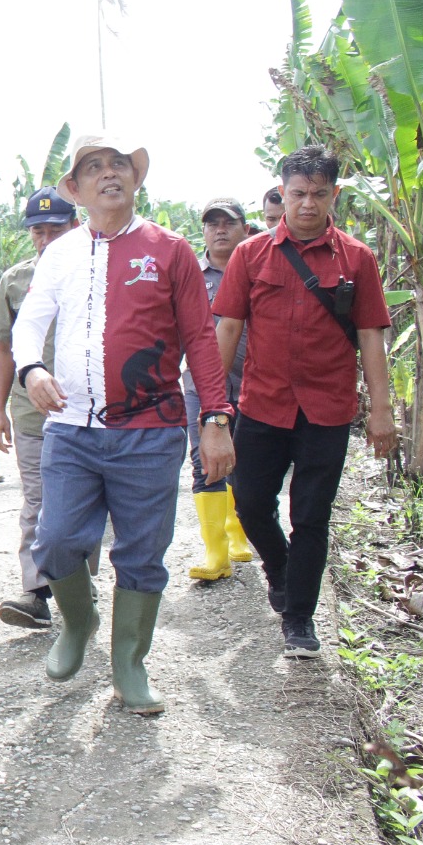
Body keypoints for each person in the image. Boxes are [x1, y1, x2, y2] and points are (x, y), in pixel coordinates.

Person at [13, 133, 234, 715]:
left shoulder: (170, 250)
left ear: (136, 180)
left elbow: (201, 340)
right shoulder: (58, 253)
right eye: (93, 168)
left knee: (141, 553)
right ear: (77, 188)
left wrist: (214, 417)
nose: (108, 175)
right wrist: (32, 369)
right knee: (56, 540)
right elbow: (30, 324)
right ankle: (77, 624)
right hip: (71, 429)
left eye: (118, 166)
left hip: (151, 430)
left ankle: (129, 665)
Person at [213, 145, 396, 659]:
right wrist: (213, 407)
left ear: (334, 195)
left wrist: (381, 410)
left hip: (327, 410)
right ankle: (279, 567)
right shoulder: (251, 255)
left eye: (319, 194)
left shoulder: (358, 260)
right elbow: (227, 327)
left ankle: (299, 620)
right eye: (298, 194)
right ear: (282, 192)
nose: (307, 204)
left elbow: (371, 338)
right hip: (262, 405)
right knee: (248, 501)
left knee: (311, 516)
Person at [0, 186, 80, 628]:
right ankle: (36, 593)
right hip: (32, 413)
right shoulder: (16, 280)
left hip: (88, 412)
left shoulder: (94, 271)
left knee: (83, 501)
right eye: (37, 232)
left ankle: (79, 584)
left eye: (55, 230)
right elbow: (3, 349)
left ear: (75, 226)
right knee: (37, 502)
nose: (45, 240)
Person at [184, 197, 255, 581]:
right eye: (212, 224)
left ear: (244, 227)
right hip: (200, 385)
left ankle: (239, 533)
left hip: (253, 383)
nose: (220, 230)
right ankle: (216, 555)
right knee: (204, 461)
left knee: (245, 461)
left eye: (228, 222)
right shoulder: (191, 275)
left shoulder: (260, 268)